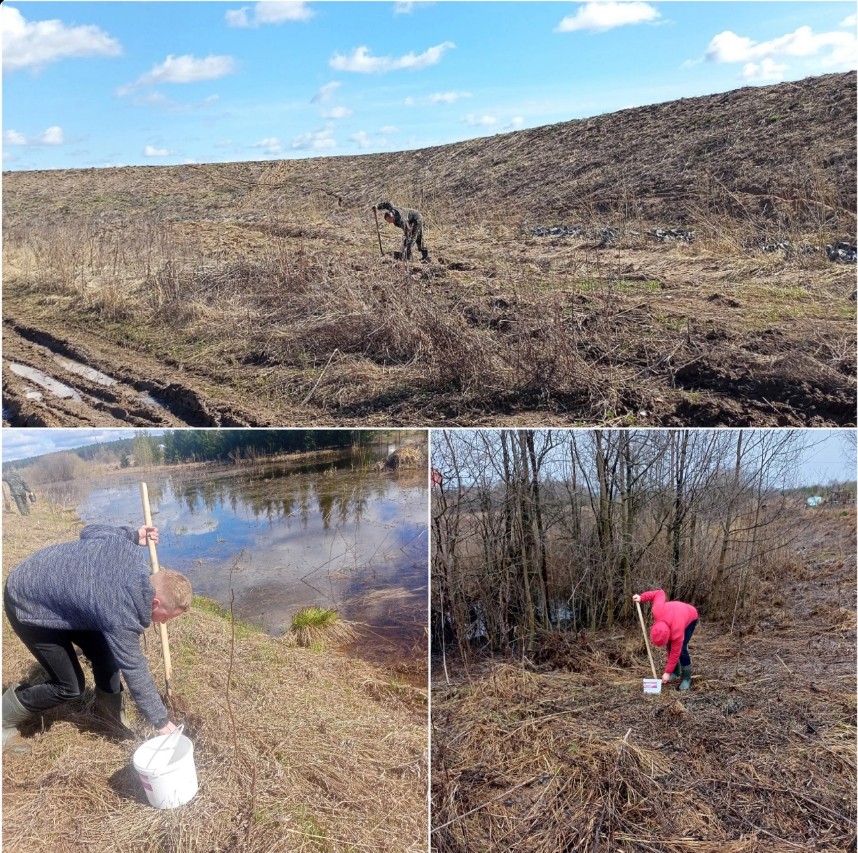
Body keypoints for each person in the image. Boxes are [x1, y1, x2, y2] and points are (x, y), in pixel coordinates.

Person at [2, 523, 192, 753]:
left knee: (106, 654)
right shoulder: (122, 612)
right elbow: (135, 669)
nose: (163, 623)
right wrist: (161, 721)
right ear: (155, 603)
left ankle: (107, 713)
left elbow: (91, 531)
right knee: (69, 686)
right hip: (27, 600)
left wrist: (133, 535)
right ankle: (3, 720)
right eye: (166, 617)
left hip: (66, 600)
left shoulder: (127, 549)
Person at [633, 589, 698, 691]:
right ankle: (675, 671)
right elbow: (659, 592)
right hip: (675, 613)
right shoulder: (657, 610)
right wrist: (642, 597)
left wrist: (667, 672)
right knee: (669, 646)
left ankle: (686, 678)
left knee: (682, 649)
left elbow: (675, 652)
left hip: (690, 616)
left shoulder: (677, 630)